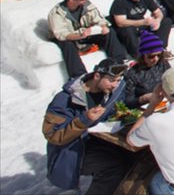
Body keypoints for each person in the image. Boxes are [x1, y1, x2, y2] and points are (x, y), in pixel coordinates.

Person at [42, 58, 133, 194]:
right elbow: (53, 135)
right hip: (73, 152)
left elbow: (118, 105)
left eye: (118, 80)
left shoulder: (110, 92)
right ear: (97, 76)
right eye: (112, 80)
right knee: (114, 167)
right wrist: (83, 120)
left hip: (98, 142)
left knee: (132, 156)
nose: (115, 85)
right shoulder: (65, 99)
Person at [48, 0, 127, 80]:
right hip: (71, 37)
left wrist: (103, 26)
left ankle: (119, 63)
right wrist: (79, 35)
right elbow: (61, 34)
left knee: (109, 32)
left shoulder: (87, 5)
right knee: (67, 44)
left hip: (86, 34)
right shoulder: (57, 13)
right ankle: (78, 75)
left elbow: (99, 19)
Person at [109, 0, 173, 57]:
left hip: (141, 24)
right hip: (126, 27)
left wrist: (158, 21)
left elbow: (158, 12)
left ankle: (159, 49)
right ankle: (138, 55)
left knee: (166, 21)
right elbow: (120, 22)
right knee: (128, 30)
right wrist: (142, 22)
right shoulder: (121, 1)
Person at [122, 30, 173, 108]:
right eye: (151, 56)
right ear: (143, 56)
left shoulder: (163, 64)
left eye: (159, 55)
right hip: (145, 107)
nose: (156, 59)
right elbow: (127, 102)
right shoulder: (133, 73)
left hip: (166, 103)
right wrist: (143, 98)